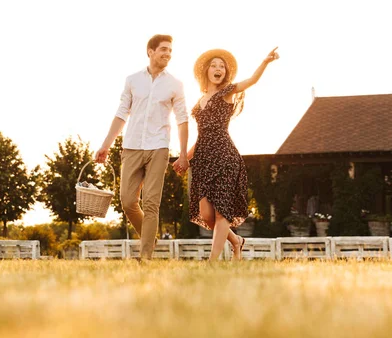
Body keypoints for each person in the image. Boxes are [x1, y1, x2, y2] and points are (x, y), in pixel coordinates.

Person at [174, 47, 279, 261]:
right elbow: (201, 135)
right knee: (207, 215)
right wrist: (184, 157)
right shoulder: (200, 100)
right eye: (214, 65)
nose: (218, 68)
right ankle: (237, 241)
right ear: (206, 70)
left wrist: (265, 62)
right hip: (203, 160)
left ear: (226, 72)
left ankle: (212, 262)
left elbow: (251, 81)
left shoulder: (228, 91)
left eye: (222, 66)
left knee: (222, 211)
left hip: (224, 156)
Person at [95, 34, 189, 260]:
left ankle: (145, 256)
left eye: (170, 51)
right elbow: (121, 113)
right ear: (150, 51)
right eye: (163, 49)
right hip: (132, 146)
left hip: (159, 147)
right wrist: (105, 145)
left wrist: (183, 154)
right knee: (127, 201)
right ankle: (150, 237)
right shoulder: (132, 80)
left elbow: (182, 119)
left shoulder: (175, 84)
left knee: (151, 202)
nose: (167, 54)